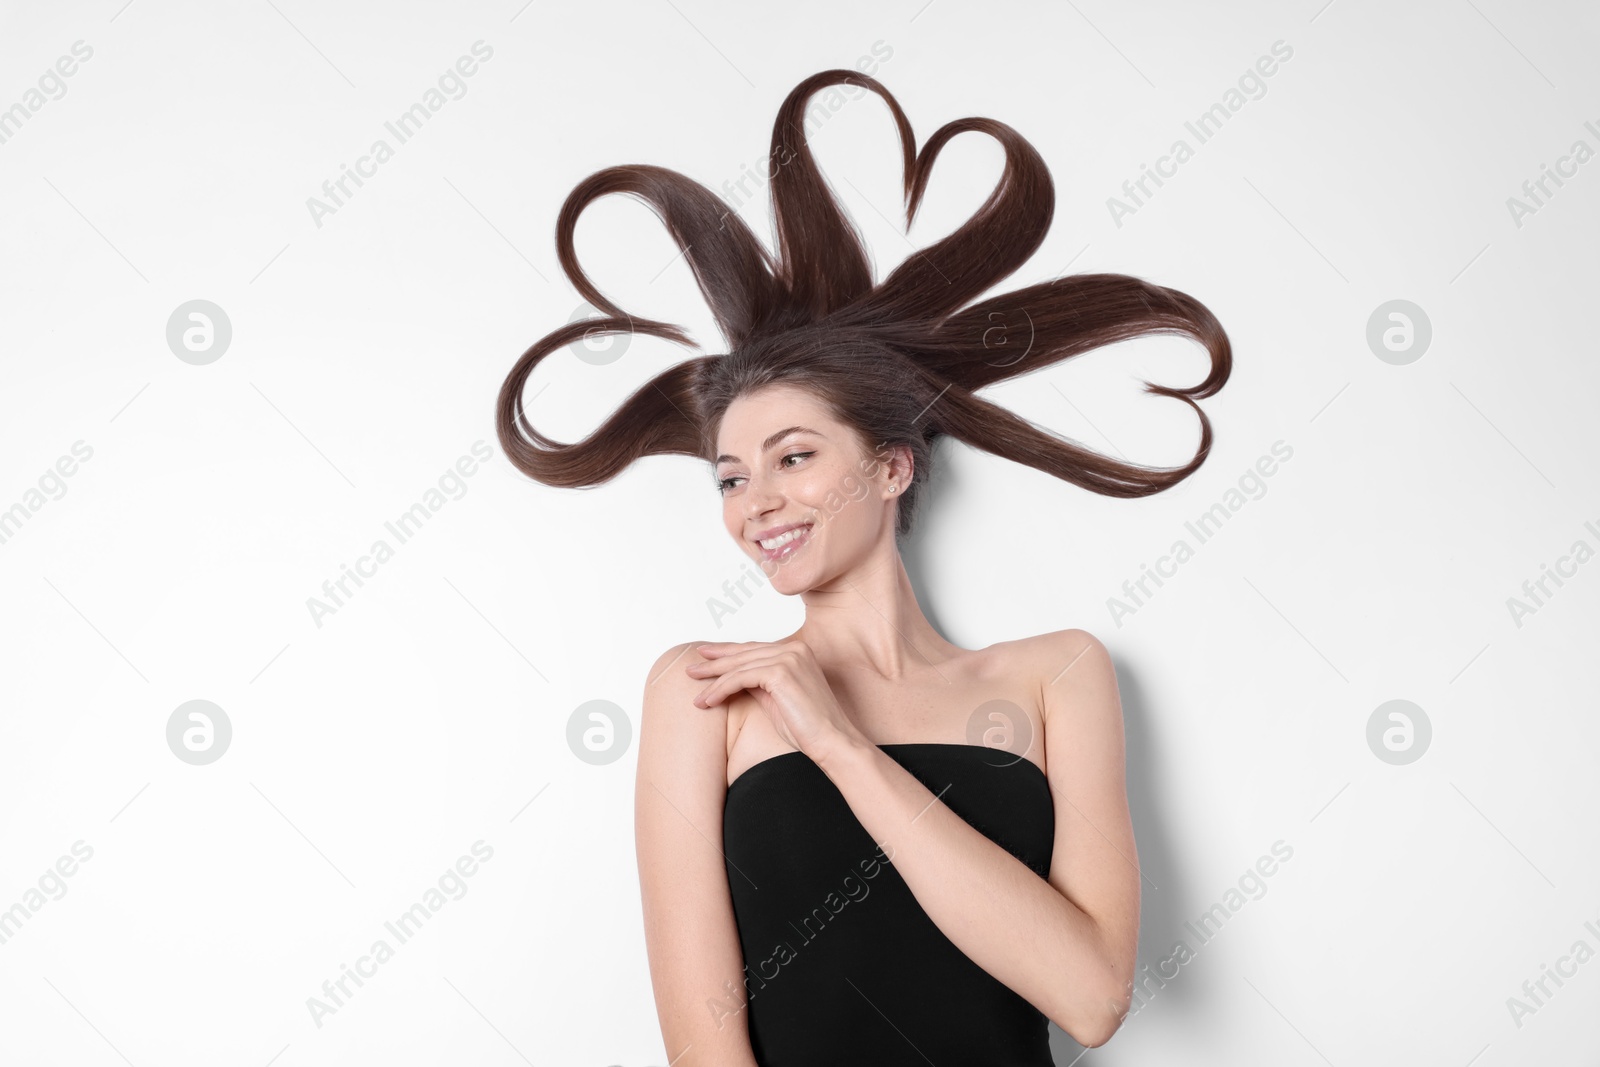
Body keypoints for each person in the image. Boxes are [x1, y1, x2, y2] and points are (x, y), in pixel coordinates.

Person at [496, 68, 1231, 1066]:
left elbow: (1091, 996)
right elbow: (702, 1052)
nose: (755, 502)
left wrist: (840, 744)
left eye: (794, 456)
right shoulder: (703, 690)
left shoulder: (1056, 673)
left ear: (890, 467)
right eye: (728, 477)